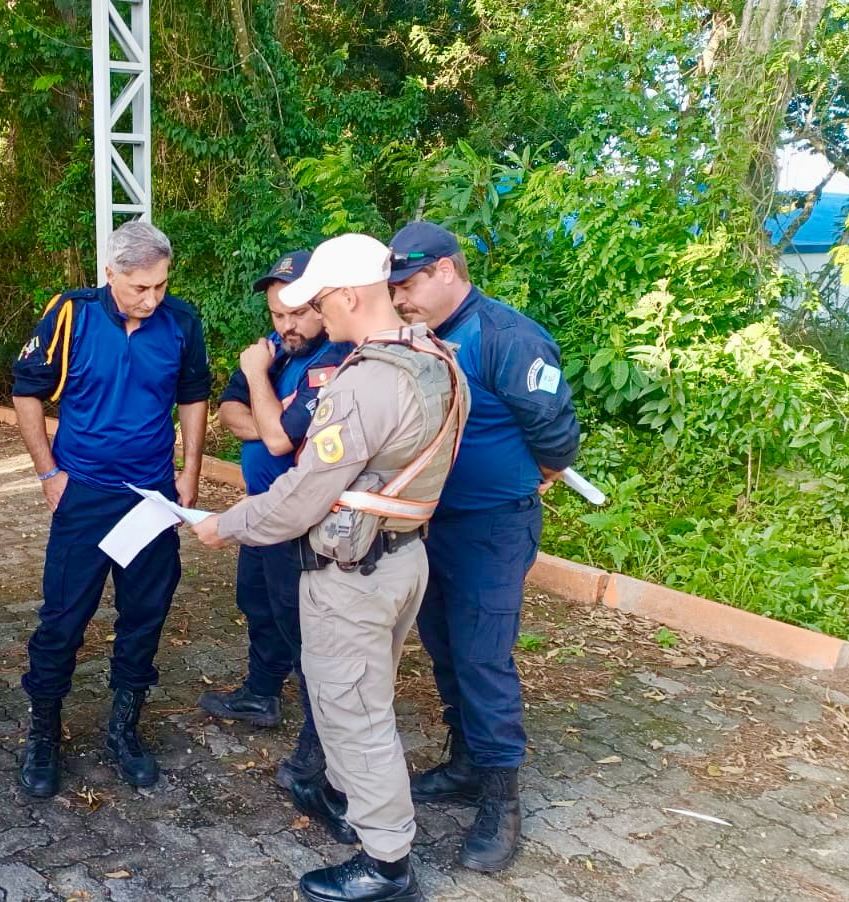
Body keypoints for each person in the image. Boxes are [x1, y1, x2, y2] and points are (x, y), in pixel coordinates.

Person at [194, 232, 469, 902]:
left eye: (319, 300)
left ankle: (386, 864)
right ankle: (366, 814)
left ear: (348, 295)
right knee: (362, 700)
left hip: (353, 574)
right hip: (403, 555)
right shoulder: (434, 356)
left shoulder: (365, 383)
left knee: (355, 713)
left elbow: (300, 499)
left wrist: (222, 525)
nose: (317, 315)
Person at [386, 220, 580, 873]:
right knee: (443, 645)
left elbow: (555, 432)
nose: (400, 298)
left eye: (408, 284)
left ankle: (503, 802)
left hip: (492, 528)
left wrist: (536, 473)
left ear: (446, 269)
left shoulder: (506, 337)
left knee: (482, 659)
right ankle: (466, 762)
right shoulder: (424, 336)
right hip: (430, 523)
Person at [11, 219, 211, 798]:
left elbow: (193, 395)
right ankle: (43, 731)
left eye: (161, 286)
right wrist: (49, 473)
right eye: (139, 288)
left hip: (150, 497)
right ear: (110, 273)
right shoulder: (71, 314)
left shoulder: (182, 321)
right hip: (85, 496)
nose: (152, 299)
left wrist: (189, 473)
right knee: (62, 620)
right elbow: (26, 390)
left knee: (144, 617)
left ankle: (124, 728)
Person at [198, 250, 354, 815]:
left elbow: (281, 440)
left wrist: (261, 386)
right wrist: (265, 406)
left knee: (303, 628)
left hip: (303, 520)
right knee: (258, 603)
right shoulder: (275, 350)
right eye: (276, 315)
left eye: (296, 314)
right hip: (261, 511)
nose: (285, 326)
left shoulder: (338, 359)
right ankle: (261, 694)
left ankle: (319, 743)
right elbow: (229, 413)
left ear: (322, 305)